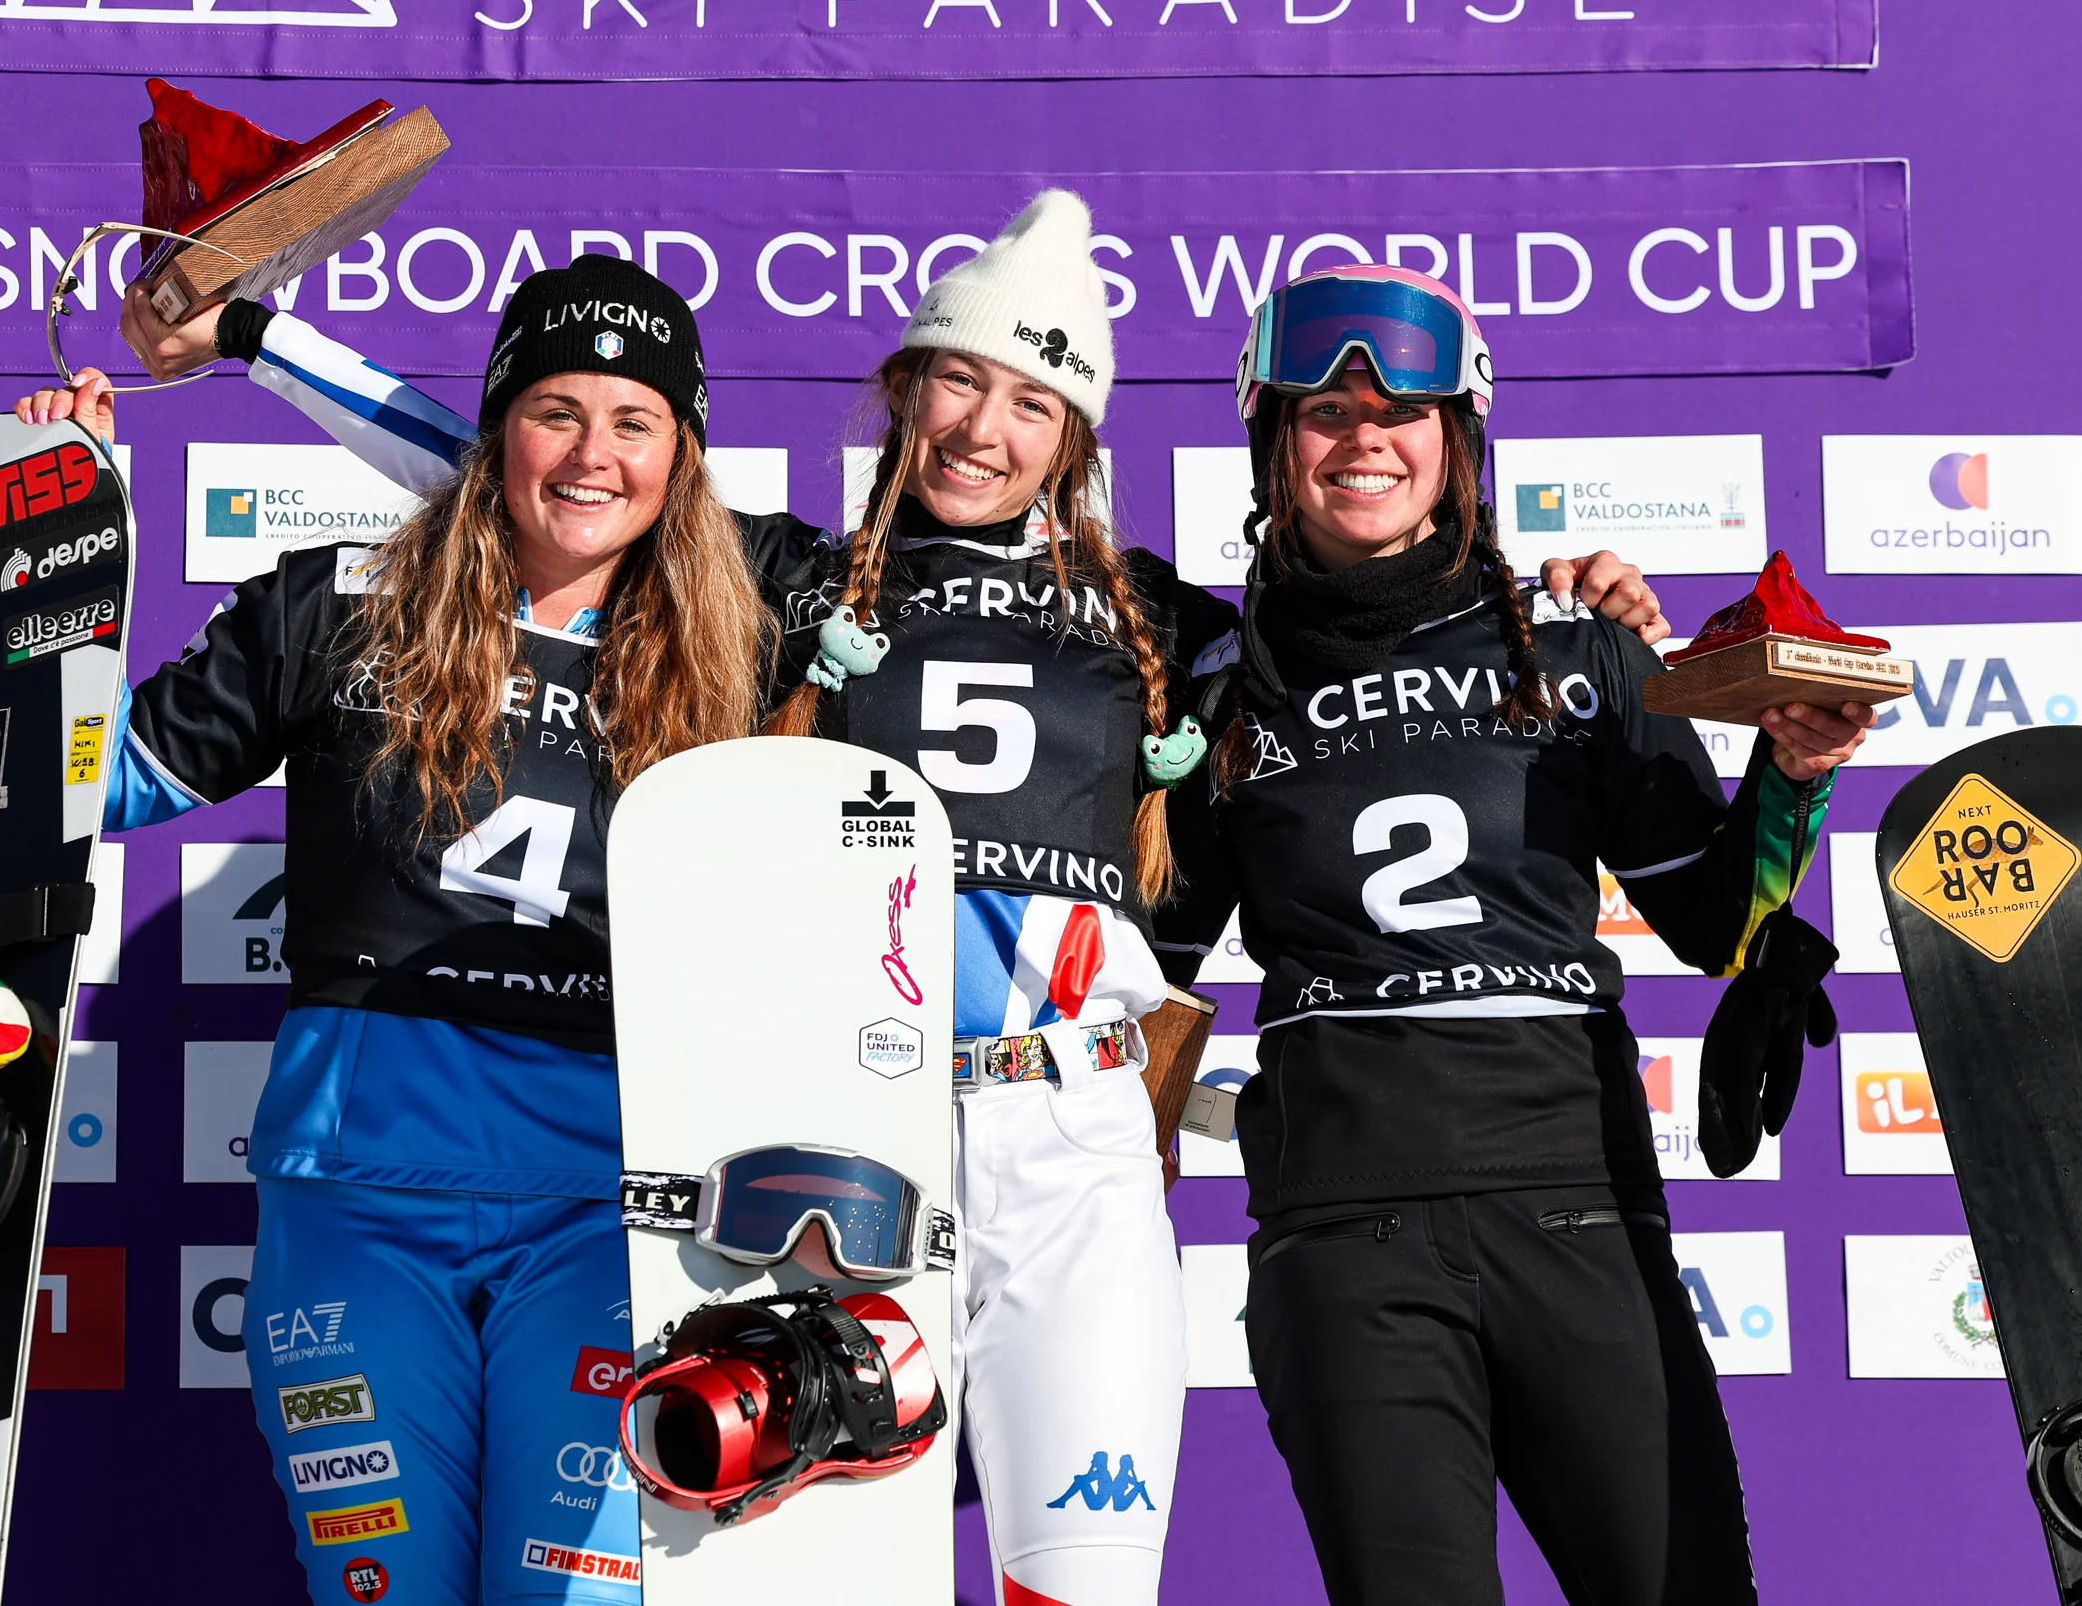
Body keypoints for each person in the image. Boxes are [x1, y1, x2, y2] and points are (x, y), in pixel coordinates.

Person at [158, 201, 1668, 1606]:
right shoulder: (791, 585)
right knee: (802, 1572)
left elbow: (1378, 619)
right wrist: (252, 340)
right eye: (958, 383)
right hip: (847, 1148)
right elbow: (514, 467)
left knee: (1076, 1582)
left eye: (1031, 400)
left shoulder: (1178, 628)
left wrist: (1563, 603)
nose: (985, 427)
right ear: (902, 392)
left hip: (1065, 1148)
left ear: (1074, 433)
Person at [19, 255, 805, 1606]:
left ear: (685, 456)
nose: (591, 454)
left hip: (608, 1217)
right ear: (497, 424)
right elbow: (83, 787)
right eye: (554, 410)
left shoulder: (744, 637)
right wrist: (54, 556)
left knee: (582, 1596)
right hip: (360, 1202)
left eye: (636, 423)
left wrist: (258, 338)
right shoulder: (339, 605)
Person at [1173, 263, 1869, 1606]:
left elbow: (1726, 926)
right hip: (1344, 1235)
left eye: (1406, 412)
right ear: (1272, 443)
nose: (1364, 439)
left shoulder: (1583, 650)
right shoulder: (1210, 687)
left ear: (1461, 442)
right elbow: (1148, 981)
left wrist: (1796, 775)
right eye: (1323, 411)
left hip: (1577, 1206)